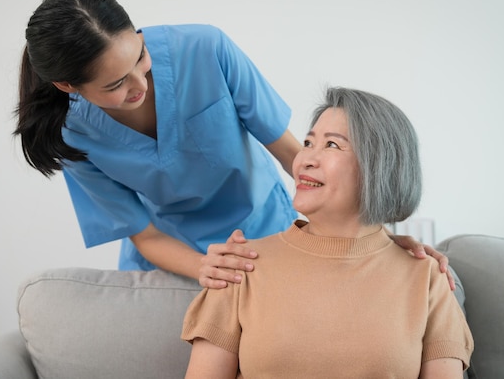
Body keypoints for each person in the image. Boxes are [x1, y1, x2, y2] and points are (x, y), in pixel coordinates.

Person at [14, 0, 452, 288]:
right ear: (69, 87)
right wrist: (204, 266)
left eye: (141, 58)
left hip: (266, 228)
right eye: (115, 86)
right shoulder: (66, 132)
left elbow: (291, 153)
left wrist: (378, 239)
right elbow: (143, 234)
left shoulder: (205, 49)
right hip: (173, 255)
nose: (140, 85)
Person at [181, 87, 474, 378]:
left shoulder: (426, 278)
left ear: (380, 166)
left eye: (332, 145)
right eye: (308, 143)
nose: (305, 159)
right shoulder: (239, 265)